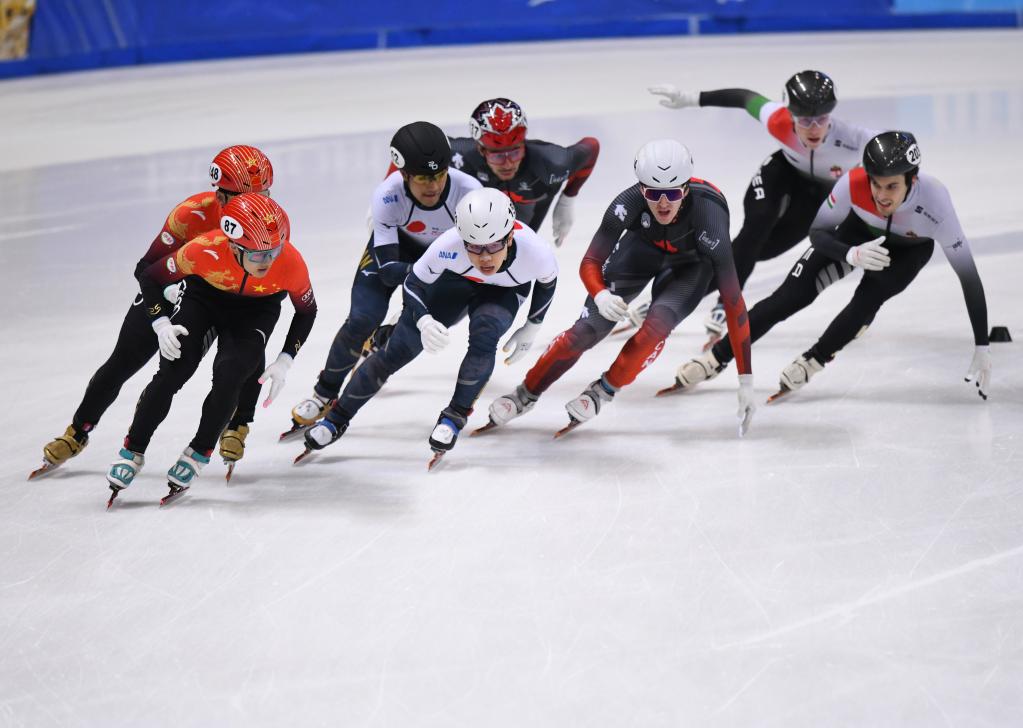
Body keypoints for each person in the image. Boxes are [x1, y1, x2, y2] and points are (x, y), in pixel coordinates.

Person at [666, 131, 992, 401]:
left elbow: (969, 277)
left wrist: (981, 344)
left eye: (892, 186)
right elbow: (818, 233)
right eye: (876, 184)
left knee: (867, 300)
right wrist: (849, 254)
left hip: (907, 252)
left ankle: (815, 359)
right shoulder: (853, 183)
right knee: (787, 298)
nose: (881, 195)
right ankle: (716, 357)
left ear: (912, 179)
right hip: (853, 235)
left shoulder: (935, 202)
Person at [480, 139, 755, 437]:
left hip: (691, 265)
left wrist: (746, 379)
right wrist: (600, 294)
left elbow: (733, 302)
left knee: (657, 326)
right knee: (584, 331)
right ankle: (525, 393)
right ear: (641, 189)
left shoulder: (709, 216)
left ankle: (603, 391)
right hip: (640, 252)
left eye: (673, 193)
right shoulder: (627, 202)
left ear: (686, 189)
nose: (663, 203)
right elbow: (590, 261)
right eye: (653, 193)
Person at [32, 146, 274, 479]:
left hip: (226, 301)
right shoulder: (192, 214)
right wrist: (169, 294)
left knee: (246, 349)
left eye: (265, 194)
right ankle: (78, 430)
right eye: (250, 197)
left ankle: (238, 423)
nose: (259, 204)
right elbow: (146, 267)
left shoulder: (267, 220)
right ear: (220, 195)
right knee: (122, 362)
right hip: (177, 293)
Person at [300, 187, 559, 467]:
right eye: (474, 246)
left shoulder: (536, 252)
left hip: (503, 292)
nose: (484, 258)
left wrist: (532, 325)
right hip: (455, 282)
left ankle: (454, 417)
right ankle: (336, 419)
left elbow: (547, 283)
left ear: (509, 237)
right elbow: (413, 283)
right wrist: (422, 320)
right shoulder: (449, 244)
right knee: (397, 350)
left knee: (485, 336)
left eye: (494, 245)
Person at [629, 71, 877, 343]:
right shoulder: (778, 119)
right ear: (791, 115)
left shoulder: (855, 139)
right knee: (755, 228)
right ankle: (725, 304)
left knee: (758, 251)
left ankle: (667, 300)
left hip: (817, 196)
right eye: (805, 121)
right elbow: (744, 98)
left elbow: (897, 151)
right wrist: (689, 98)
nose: (814, 128)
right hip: (781, 174)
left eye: (822, 119)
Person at [105, 194, 317, 505]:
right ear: (234, 246)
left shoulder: (290, 261)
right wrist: (160, 322)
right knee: (174, 370)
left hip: (256, 310)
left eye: (274, 251)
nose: (268, 261)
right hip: (204, 299)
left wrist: (286, 359)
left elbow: (307, 311)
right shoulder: (203, 249)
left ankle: (199, 451)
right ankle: (132, 449)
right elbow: (149, 275)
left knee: (232, 374)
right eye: (259, 255)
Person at [285, 121, 483, 438]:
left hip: (444, 260)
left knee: (407, 338)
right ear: (403, 174)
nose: (433, 185)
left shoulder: (470, 193)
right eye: (423, 177)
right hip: (396, 253)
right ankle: (324, 393)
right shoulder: (388, 196)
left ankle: (381, 340)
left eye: (439, 175)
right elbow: (390, 270)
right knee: (362, 319)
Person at [449, 97, 600, 247]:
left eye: (515, 152)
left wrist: (567, 200)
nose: (508, 164)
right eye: (498, 156)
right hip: (488, 207)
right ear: (481, 150)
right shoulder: (460, 156)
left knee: (513, 249)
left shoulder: (552, 163)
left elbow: (592, 147)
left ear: (523, 144)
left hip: (528, 208)